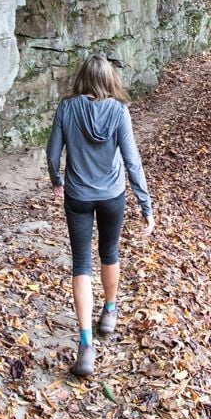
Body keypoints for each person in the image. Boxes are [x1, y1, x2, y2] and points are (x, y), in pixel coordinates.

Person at [46, 54, 155, 377]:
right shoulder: (119, 112)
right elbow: (132, 162)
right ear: (109, 80)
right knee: (109, 253)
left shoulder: (67, 108)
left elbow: (53, 153)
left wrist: (57, 180)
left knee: (81, 263)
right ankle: (109, 311)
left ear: (82, 78)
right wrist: (145, 205)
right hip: (112, 196)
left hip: (77, 196)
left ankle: (85, 345)